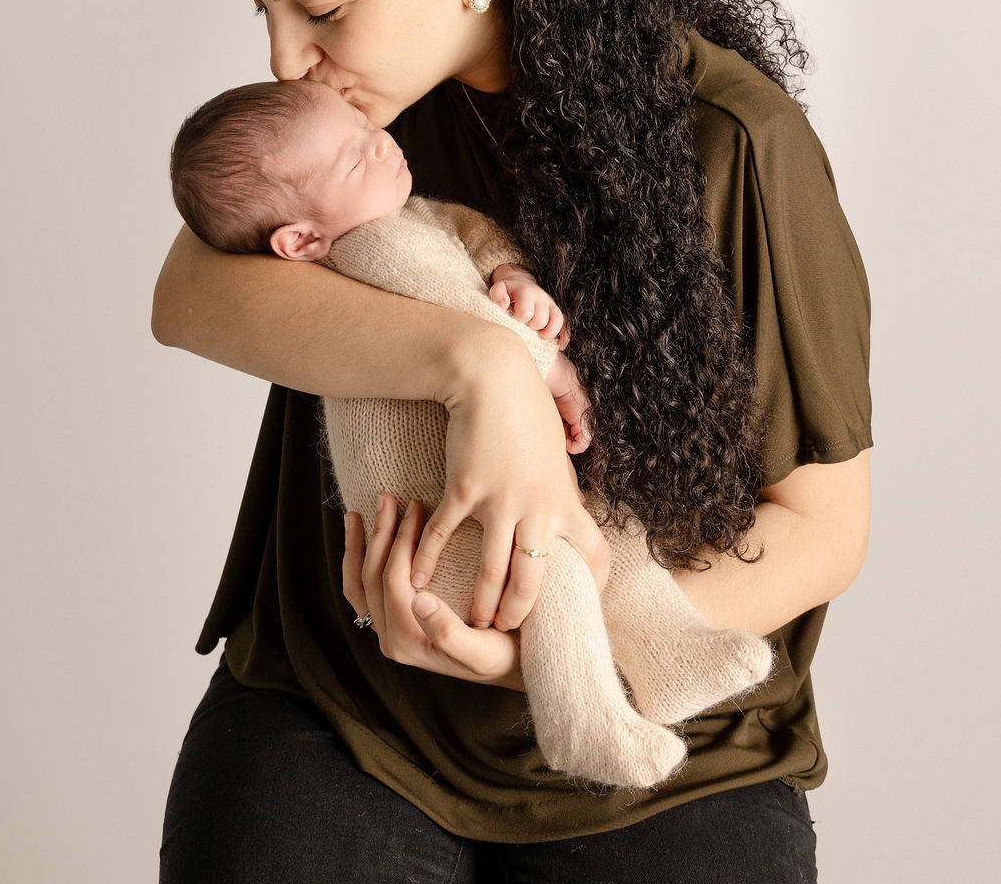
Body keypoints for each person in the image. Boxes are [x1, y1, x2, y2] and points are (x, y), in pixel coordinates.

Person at [153, 0, 872, 884]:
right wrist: (481, 365)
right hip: (345, 695)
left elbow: (823, 534)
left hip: (664, 721)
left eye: (319, 9)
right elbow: (191, 294)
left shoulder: (731, 144)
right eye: (259, 7)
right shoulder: (355, 128)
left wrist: (557, 637)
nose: (284, 58)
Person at [167, 76, 774, 789]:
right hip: (436, 518)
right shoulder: (367, 250)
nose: (383, 144)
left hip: (471, 493)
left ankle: (673, 654)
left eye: (366, 128)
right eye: (356, 157)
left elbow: (469, 234)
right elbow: (460, 310)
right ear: (301, 238)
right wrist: (548, 368)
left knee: (606, 531)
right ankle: (582, 720)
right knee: (552, 570)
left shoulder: (410, 216)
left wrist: (509, 269)